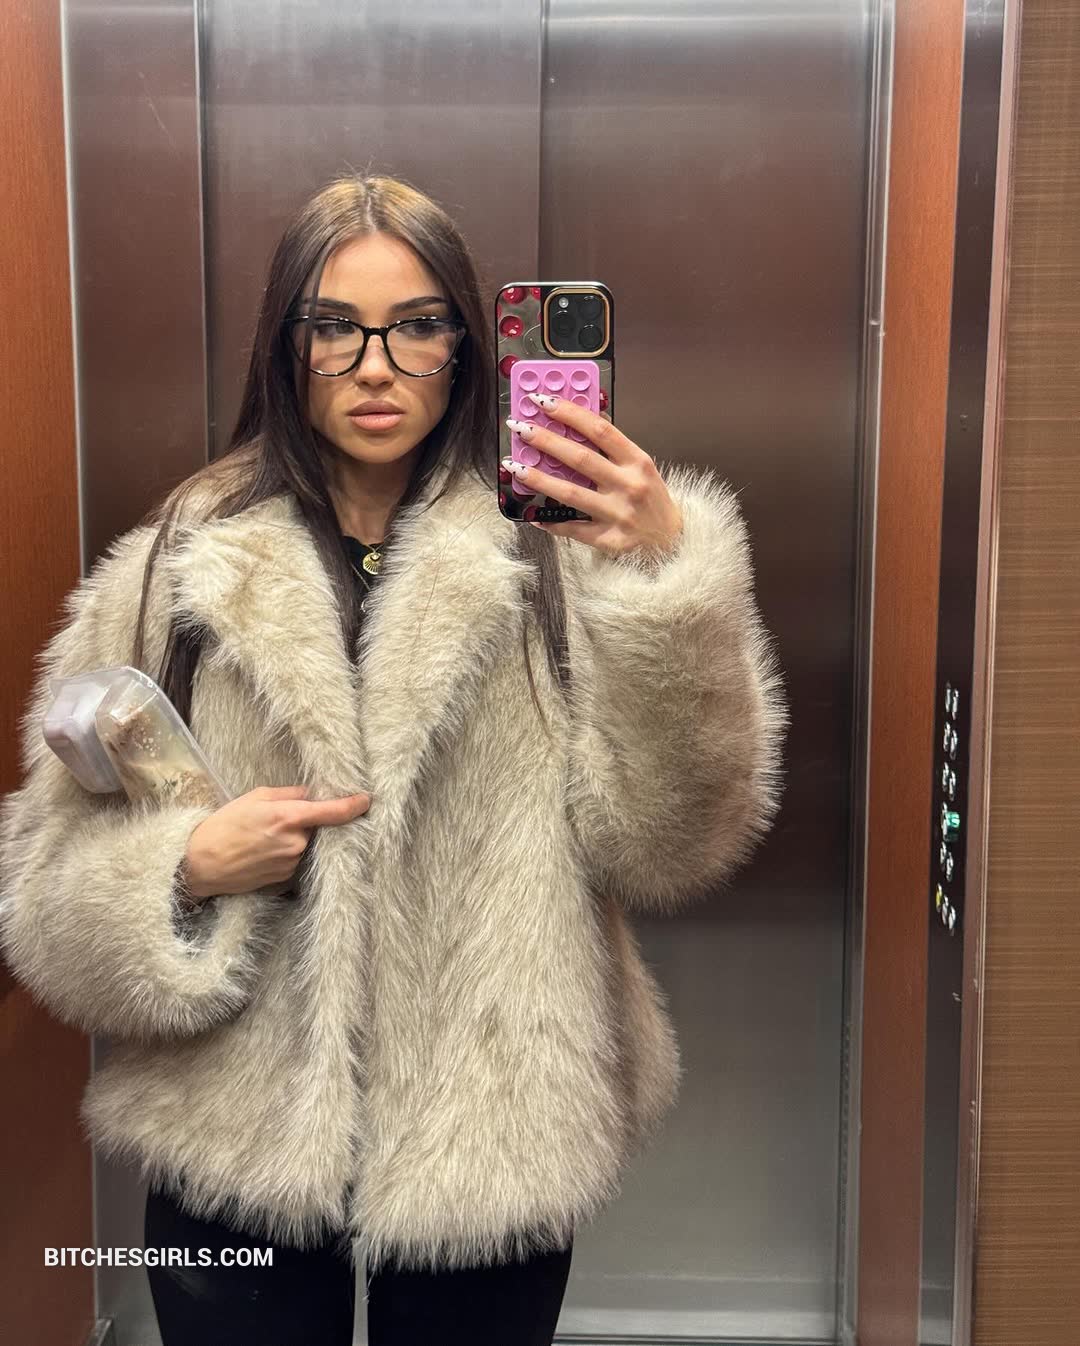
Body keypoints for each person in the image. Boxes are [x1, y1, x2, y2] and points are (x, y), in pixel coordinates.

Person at [0, 173, 789, 1345]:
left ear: (467, 348)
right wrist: (184, 869)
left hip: (494, 1133)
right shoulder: (181, 564)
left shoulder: (558, 558)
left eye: (418, 326)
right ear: (288, 345)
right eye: (337, 326)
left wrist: (663, 583)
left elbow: (670, 846)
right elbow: (41, 883)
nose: (376, 366)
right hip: (238, 1142)